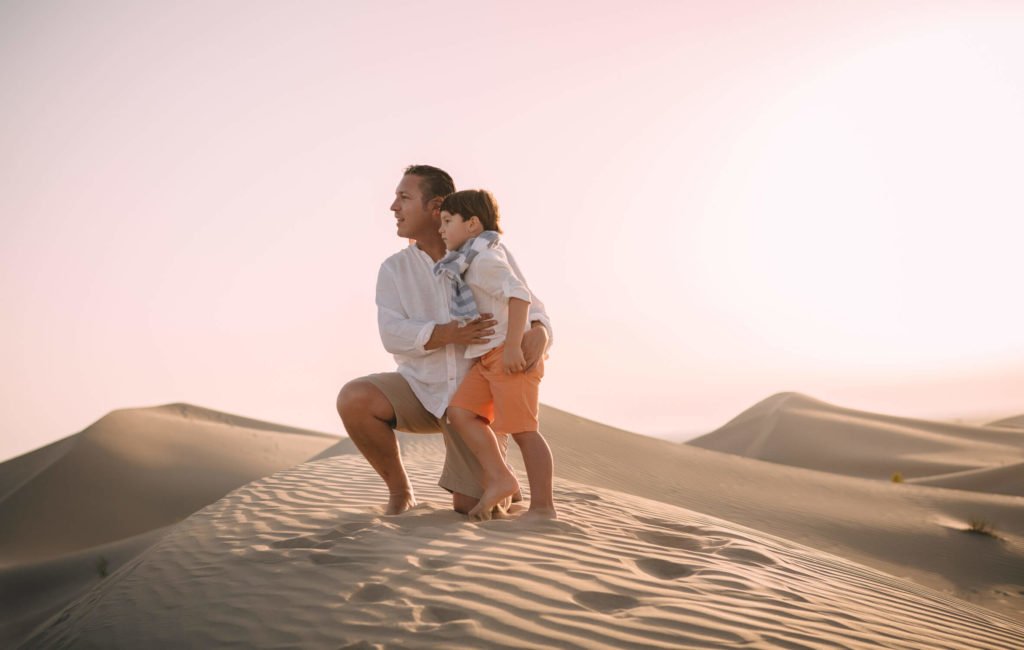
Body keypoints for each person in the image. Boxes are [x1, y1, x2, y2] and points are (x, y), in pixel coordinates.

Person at [336, 165, 552, 516]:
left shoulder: (487, 250)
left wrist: (540, 333)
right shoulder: (395, 269)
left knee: (469, 507)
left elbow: (532, 306)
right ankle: (400, 493)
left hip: (475, 402)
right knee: (354, 398)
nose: (393, 207)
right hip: (422, 390)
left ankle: (505, 485)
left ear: (436, 207)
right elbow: (391, 333)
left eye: (404, 198)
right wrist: (448, 333)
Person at [436, 189, 556, 521]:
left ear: (472, 224)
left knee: (524, 431)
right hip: (486, 358)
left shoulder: (486, 259)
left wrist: (515, 345)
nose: (441, 230)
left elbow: (520, 295)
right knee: (460, 412)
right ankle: (501, 477)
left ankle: (544, 507)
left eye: (448, 221)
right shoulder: (469, 262)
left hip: (507, 355)